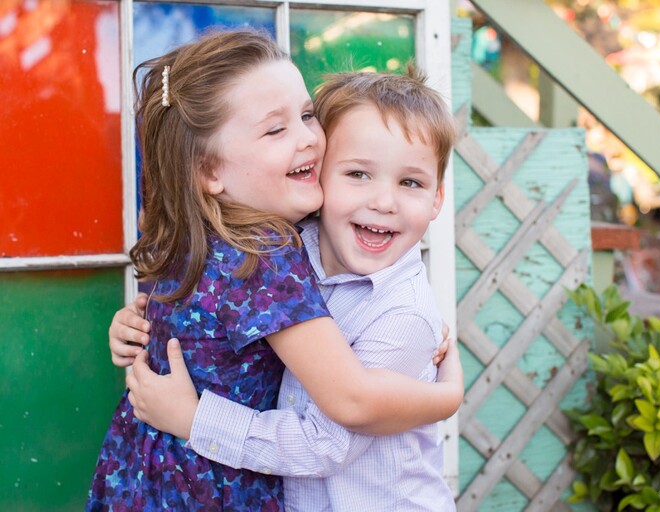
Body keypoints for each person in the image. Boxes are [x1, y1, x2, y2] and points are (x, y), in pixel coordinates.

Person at [87, 29, 462, 511]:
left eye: (307, 116)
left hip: (147, 469)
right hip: (206, 477)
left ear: (436, 197)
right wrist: (448, 395)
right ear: (208, 172)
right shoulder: (264, 252)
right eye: (275, 129)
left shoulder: (203, 227)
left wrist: (137, 334)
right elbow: (351, 401)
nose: (309, 138)